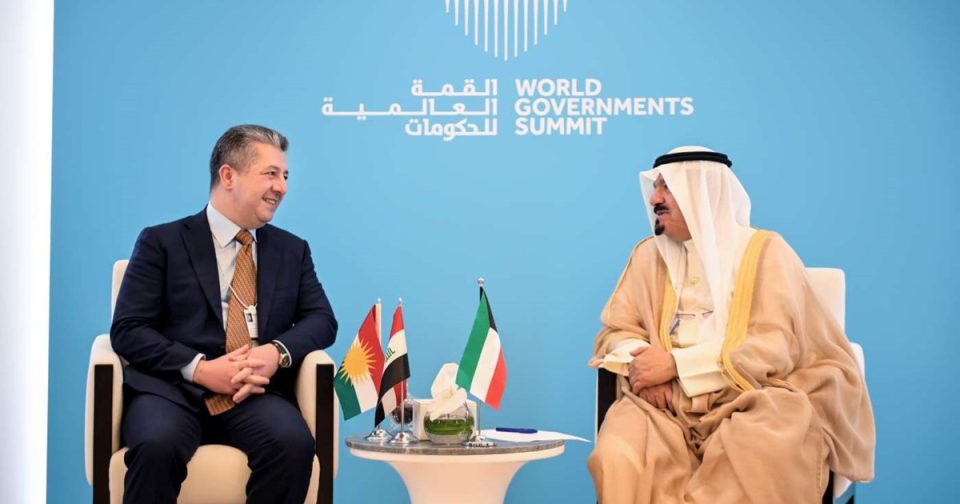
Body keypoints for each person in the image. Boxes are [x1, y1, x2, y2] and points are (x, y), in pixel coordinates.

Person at [587, 147, 874, 503]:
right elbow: (617, 329)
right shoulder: (648, 255)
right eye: (655, 187)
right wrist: (645, 365)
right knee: (619, 455)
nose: (654, 198)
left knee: (761, 450)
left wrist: (675, 366)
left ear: (702, 192)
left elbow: (772, 347)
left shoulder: (766, 251)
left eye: (667, 187)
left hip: (751, 396)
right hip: (660, 404)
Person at [111, 124, 337, 503]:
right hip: (172, 391)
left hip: (253, 393)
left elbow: (322, 320)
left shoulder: (292, 250)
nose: (282, 187)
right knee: (157, 446)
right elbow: (128, 329)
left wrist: (274, 353)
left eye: (285, 176)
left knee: (293, 444)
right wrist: (200, 369)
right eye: (270, 174)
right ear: (228, 176)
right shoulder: (161, 242)